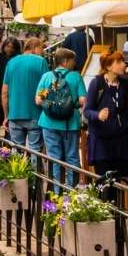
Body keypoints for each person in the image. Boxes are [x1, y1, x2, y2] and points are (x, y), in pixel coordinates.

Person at [84, 50, 128, 187]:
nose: (123, 64)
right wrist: (98, 115)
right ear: (109, 67)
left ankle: (118, 209)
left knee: (121, 184)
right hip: (101, 143)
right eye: (119, 62)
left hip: (122, 143)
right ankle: (106, 208)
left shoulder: (125, 85)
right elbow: (87, 111)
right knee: (104, 185)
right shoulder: (97, 84)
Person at [37, 47, 88, 190]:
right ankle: (72, 190)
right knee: (72, 156)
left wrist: (51, 106)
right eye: (72, 60)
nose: (74, 63)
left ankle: (56, 190)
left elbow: (38, 100)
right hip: (70, 123)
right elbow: (83, 100)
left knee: (54, 157)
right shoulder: (75, 77)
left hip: (48, 122)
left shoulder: (47, 76)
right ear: (65, 61)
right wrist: (73, 104)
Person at [0, 36, 48, 152]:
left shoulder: (11, 62)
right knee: (35, 150)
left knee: (16, 152)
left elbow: (4, 92)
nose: (42, 53)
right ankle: (34, 170)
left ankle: (18, 171)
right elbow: (46, 89)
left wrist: (6, 115)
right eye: (41, 49)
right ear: (34, 47)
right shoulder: (41, 62)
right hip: (35, 114)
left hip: (15, 114)